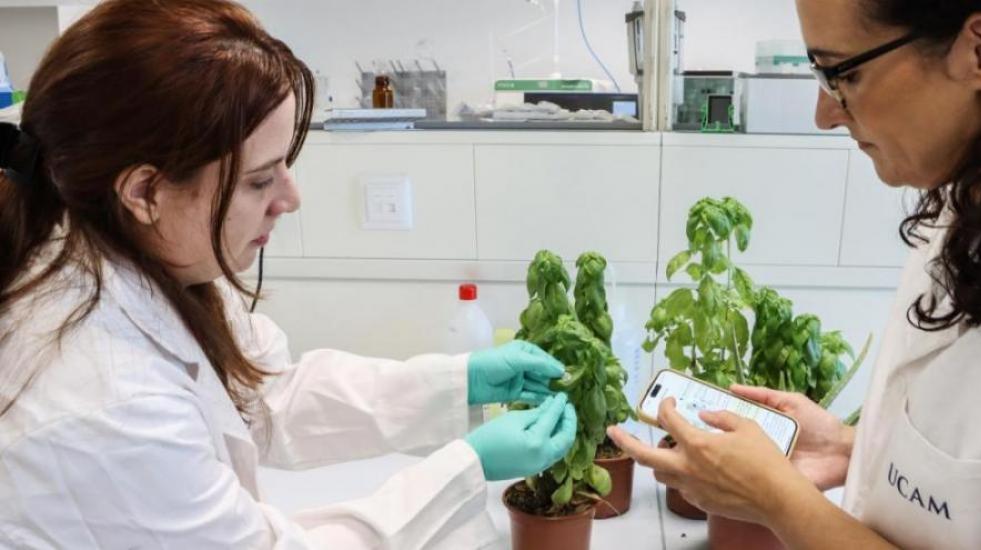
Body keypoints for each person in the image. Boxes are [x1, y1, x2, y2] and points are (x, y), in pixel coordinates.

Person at [0, 1, 576, 548]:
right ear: (145, 190)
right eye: (259, 180)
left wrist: (460, 379)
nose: (290, 198)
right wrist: (466, 469)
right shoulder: (102, 402)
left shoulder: (148, 260)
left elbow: (266, 395)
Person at [609, 1, 981, 548]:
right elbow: (979, 467)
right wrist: (854, 447)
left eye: (841, 73)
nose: (824, 113)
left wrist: (775, 499)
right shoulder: (980, 192)